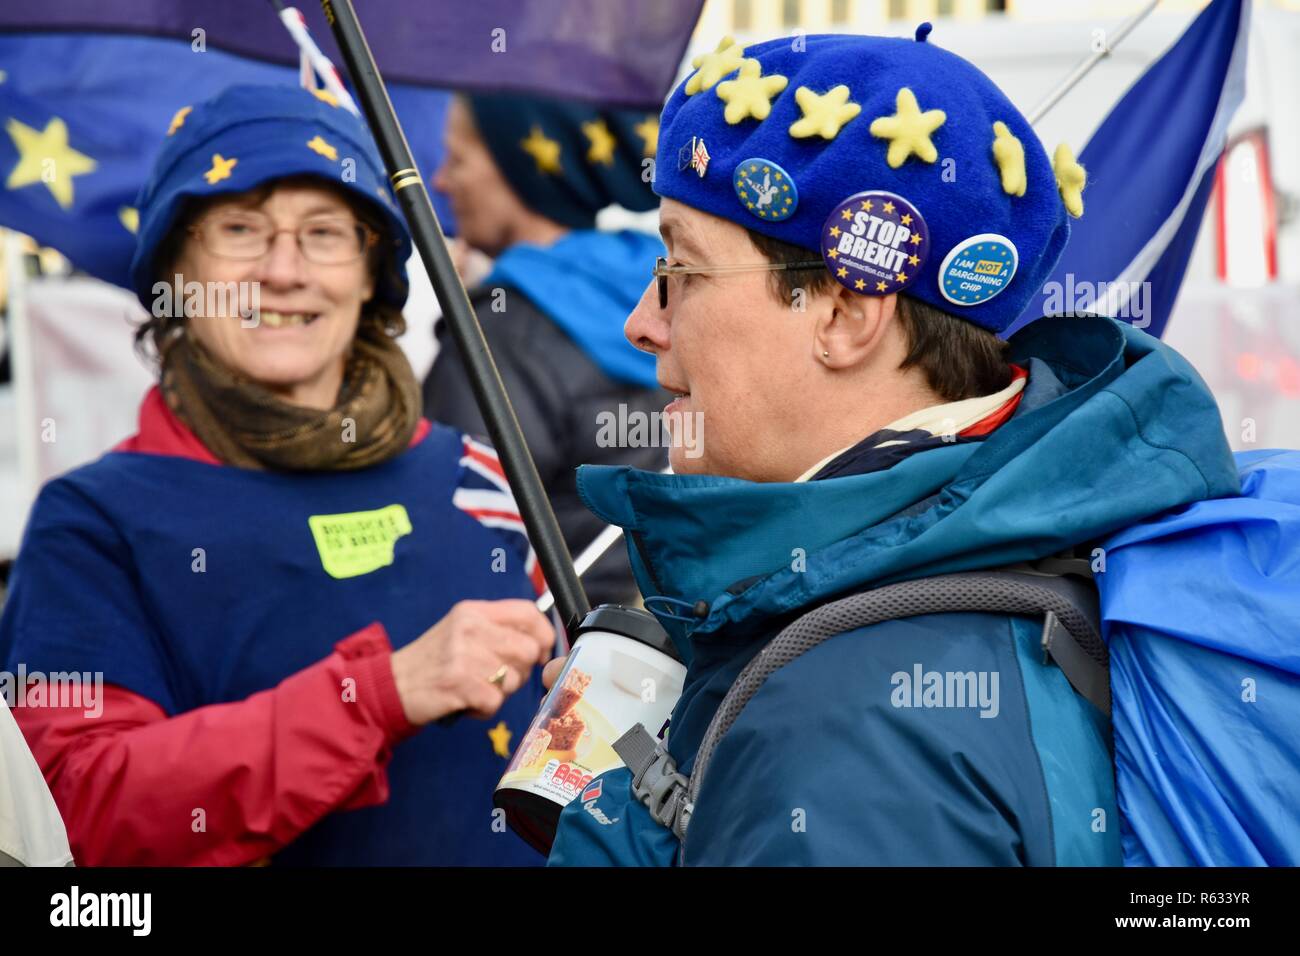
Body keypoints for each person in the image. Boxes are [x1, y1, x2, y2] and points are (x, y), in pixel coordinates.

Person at [544, 29, 1240, 865]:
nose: (642, 324)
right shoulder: (1044, 525)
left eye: (682, 271)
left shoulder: (848, 727)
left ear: (842, 313)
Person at [0, 85, 557, 866]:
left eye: (325, 233)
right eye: (239, 229)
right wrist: (372, 698)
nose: (283, 271)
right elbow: (76, 811)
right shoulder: (94, 523)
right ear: (177, 270)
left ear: (371, 276)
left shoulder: (482, 477)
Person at [427, 93, 670, 605]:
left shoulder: (495, 333)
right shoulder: (666, 290)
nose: (441, 181)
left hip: (545, 649)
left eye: (458, 158)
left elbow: (451, 530)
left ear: (517, 170)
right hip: (664, 634)